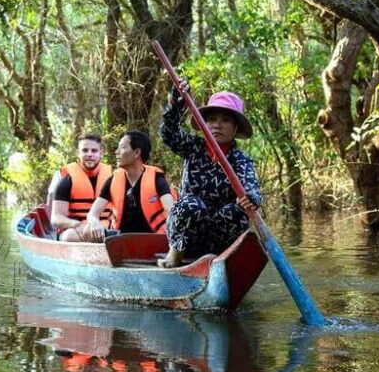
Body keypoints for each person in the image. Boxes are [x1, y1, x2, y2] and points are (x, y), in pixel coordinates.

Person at [157, 81, 261, 268]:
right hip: (189, 233)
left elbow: (251, 187)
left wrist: (250, 197)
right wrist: (177, 103)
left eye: (225, 120)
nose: (217, 126)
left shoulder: (240, 159)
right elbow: (168, 133)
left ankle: (221, 262)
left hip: (218, 238)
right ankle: (174, 256)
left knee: (237, 211)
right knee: (192, 204)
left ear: (236, 128)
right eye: (212, 119)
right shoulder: (193, 147)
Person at [83, 131, 175, 242]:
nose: (116, 152)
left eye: (122, 148)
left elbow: (171, 211)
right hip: (120, 237)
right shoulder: (114, 179)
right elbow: (93, 213)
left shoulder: (156, 178)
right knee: (88, 230)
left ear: (136, 153)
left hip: (152, 238)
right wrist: (94, 223)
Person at [49, 132, 113, 242]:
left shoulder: (112, 176)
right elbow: (56, 218)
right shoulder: (67, 179)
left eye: (94, 151)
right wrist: (76, 225)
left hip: (106, 229)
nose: (89, 154)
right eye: (85, 150)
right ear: (78, 153)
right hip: (77, 230)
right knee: (69, 236)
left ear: (101, 153)